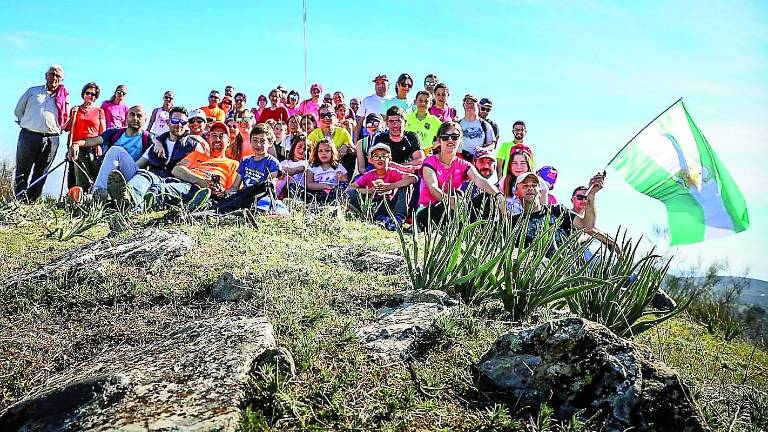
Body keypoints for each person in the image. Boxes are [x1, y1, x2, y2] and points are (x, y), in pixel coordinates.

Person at [105, 106, 205, 211]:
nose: (179, 125)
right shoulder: (157, 143)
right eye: (175, 120)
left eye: (183, 122)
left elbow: (198, 171)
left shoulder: (194, 145)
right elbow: (138, 165)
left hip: (177, 182)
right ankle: (127, 196)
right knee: (144, 174)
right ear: (168, 122)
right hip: (155, 177)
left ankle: (128, 207)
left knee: (154, 190)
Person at [415, 122, 506, 229]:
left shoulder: (463, 164)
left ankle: (483, 233)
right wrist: (450, 201)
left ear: (460, 140)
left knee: (488, 197)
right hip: (430, 210)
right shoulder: (429, 162)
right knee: (457, 196)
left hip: (455, 210)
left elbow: (480, 180)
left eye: (454, 137)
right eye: (445, 137)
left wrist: (498, 195)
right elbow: (433, 188)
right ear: (439, 140)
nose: (450, 140)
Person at [13, 65, 70, 201]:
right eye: (52, 74)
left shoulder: (64, 97)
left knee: (42, 172)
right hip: (29, 135)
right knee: (22, 170)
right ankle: (19, 201)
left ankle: (31, 201)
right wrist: (28, 123)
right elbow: (18, 110)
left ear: (61, 80)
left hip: (52, 139)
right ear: (46, 75)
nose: (54, 78)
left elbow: (66, 118)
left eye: (58, 76)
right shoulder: (33, 91)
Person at [510, 171, 604, 253]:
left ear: (540, 191)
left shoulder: (558, 211)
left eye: (534, 185)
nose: (530, 188)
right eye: (525, 186)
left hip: (565, 270)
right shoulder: (512, 223)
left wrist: (591, 194)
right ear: (516, 193)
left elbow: (587, 226)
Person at [169, 121, 239, 210]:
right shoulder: (196, 154)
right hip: (184, 184)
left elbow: (231, 191)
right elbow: (176, 170)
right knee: (160, 187)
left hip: (209, 194)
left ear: (228, 142)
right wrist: (201, 181)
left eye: (221, 136)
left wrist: (221, 192)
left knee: (163, 189)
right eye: (214, 135)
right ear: (208, 138)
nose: (217, 139)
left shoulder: (234, 164)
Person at [347, 143, 418, 230]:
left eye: (384, 156)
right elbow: (350, 188)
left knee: (407, 185)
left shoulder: (393, 172)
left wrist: (390, 186)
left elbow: (413, 178)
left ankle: (398, 219)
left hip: (391, 205)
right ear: (371, 160)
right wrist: (369, 191)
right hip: (374, 206)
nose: (380, 159)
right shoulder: (369, 175)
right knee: (351, 193)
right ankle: (378, 218)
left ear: (390, 159)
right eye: (376, 156)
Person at [213, 123, 281, 213]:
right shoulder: (245, 161)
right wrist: (226, 193)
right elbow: (235, 187)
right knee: (222, 203)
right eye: (255, 140)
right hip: (244, 196)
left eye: (262, 141)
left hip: (261, 197)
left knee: (272, 206)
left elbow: (268, 187)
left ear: (270, 143)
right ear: (250, 141)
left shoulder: (273, 163)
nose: (258, 144)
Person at [87, 105, 152, 198]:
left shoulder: (148, 138)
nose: (135, 118)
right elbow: (94, 140)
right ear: (126, 117)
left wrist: (158, 142)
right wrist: (76, 144)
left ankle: (97, 192)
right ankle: (98, 193)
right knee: (85, 154)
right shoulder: (115, 132)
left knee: (115, 150)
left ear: (145, 120)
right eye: (132, 115)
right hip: (112, 171)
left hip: (133, 174)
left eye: (139, 116)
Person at [65, 82, 106, 190]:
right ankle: (76, 193)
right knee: (76, 171)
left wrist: (99, 146)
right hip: (76, 145)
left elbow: (103, 131)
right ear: (83, 94)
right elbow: (68, 128)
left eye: (93, 94)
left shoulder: (99, 111)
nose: (90, 96)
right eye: (88, 93)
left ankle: (93, 193)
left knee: (95, 171)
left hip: (92, 145)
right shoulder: (75, 109)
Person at [370, 106, 423, 174]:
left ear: (405, 123)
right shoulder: (379, 137)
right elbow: (375, 160)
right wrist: (401, 168)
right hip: (385, 172)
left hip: (408, 172)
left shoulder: (411, 136)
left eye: (398, 121)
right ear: (387, 123)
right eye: (391, 121)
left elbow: (420, 160)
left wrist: (403, 168)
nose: (395, 125)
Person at [308, 104, 355, 175]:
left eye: (329, 115)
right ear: (319, 119)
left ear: (335, 116)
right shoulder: (314, 134)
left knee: (351, 156)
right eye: (323, 116)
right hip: (319, 168)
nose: (326, 118)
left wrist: (346, 146)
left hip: (338, 166)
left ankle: (344, 181)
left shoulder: (343, 131)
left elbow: (354, 150)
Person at [500, 147, 548, 214]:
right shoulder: (504, 181)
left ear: (528, 165)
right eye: (514, 163)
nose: (518, 167)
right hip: (511, 221)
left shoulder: (540, 182)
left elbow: (543, 211)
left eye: (523, 163)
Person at [303, 138, 348, 205]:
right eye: (320, 151)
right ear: (316, 153)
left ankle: (335, 205)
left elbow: (345, 184)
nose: (323, 153)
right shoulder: (312, 167)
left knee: (342, 188)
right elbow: (309, 184)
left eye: (327, 151)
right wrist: (324, 186)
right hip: (317, 192)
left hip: (333, 192)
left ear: (332, 152)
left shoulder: (339, 167)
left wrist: (341, 179)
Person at [459, 94, 496, 160]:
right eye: (467, 102)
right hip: (461, 160)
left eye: (472, 103)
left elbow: (492, 144)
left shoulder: (485, 125)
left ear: (477, 106)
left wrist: (484, 149)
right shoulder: (457, 124)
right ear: (463, 105)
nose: (470, 105)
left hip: (479, 160)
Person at [405, 91, 442, 155]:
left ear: (430, 104)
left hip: (427, 156)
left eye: (426, 101)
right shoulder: (406, 118)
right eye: (420, 100)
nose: (423, 103)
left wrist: (433, 145)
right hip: (408, 154)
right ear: (415, 102)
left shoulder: (435, 121)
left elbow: (445, 135)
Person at [356, 74, 389, 141]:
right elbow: (359, 122)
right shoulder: (367, 100)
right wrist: (356, 141)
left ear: (388, 85)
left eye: (383, 83)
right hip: (368, 135)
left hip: (386, 135)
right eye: (377, 83)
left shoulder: (392, 100)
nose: (380, 85)